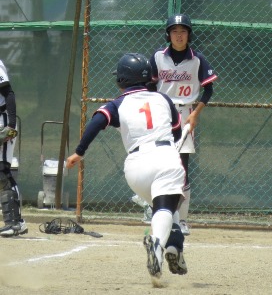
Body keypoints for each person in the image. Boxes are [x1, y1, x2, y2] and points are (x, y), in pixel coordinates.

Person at [66, 53, 187, 278]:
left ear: (121, 80)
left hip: (136, 167)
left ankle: (173, 248)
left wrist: (79, 152)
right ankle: (158, 245)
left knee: (168, 211)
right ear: (148, 77)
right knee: (167, 207)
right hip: (165, 157)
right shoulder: (163, 99)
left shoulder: (117, 104)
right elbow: (177, 132)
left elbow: (97, 122)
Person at [149, 13, 218, 235]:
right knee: (156, 165)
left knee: (182, 169)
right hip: (162, 113)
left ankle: (183, 220)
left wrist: (196, 113)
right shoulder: (158, 57)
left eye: (183, 31)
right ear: (168, 35)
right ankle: (155, 211)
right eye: (175, 31)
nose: (179, 36)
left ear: (189, 35)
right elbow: (150, 87)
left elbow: (209, 89)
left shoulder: (197, 59)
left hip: (185, 114)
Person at [0, 59, 28, 237]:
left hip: (1, 120)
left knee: (2, 171)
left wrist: (10, 126)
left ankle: (15, 223)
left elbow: (8, 93)